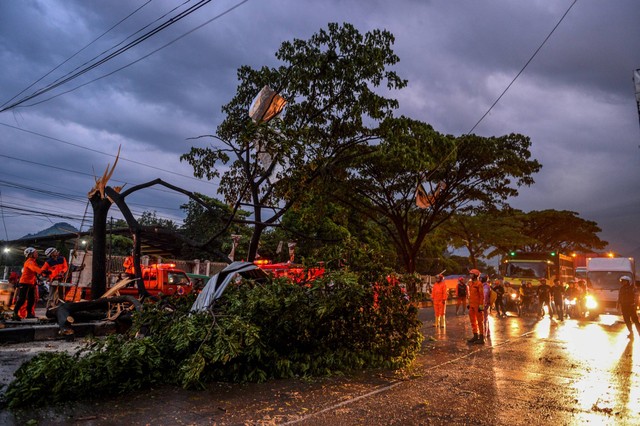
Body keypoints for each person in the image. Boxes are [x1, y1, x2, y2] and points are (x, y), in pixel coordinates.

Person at [12, 247, 45, 321]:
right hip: (24, 282)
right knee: (22, 299)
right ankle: (15, 313)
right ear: (30, 254)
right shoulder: (29, 262)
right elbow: (34, 268)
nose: (37, 254)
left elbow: (36, 271)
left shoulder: (33, 261)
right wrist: (41, 272)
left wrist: (43, 272)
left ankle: (29, 314)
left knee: (31, 299)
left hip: (31, 283)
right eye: (35, 252)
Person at [466, 269, 485, 344]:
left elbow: (481, 296)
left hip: (477, 305)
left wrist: (481, 306)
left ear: (476, 275)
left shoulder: (479, 284)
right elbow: (470, 295)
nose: (470, 276)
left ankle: (481, 337)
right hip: (471, 305)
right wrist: (469, 304)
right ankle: (475, 335)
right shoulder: (470, 283)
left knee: (480, 321)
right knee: (472, 321)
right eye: (470, 274)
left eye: (472, 274)